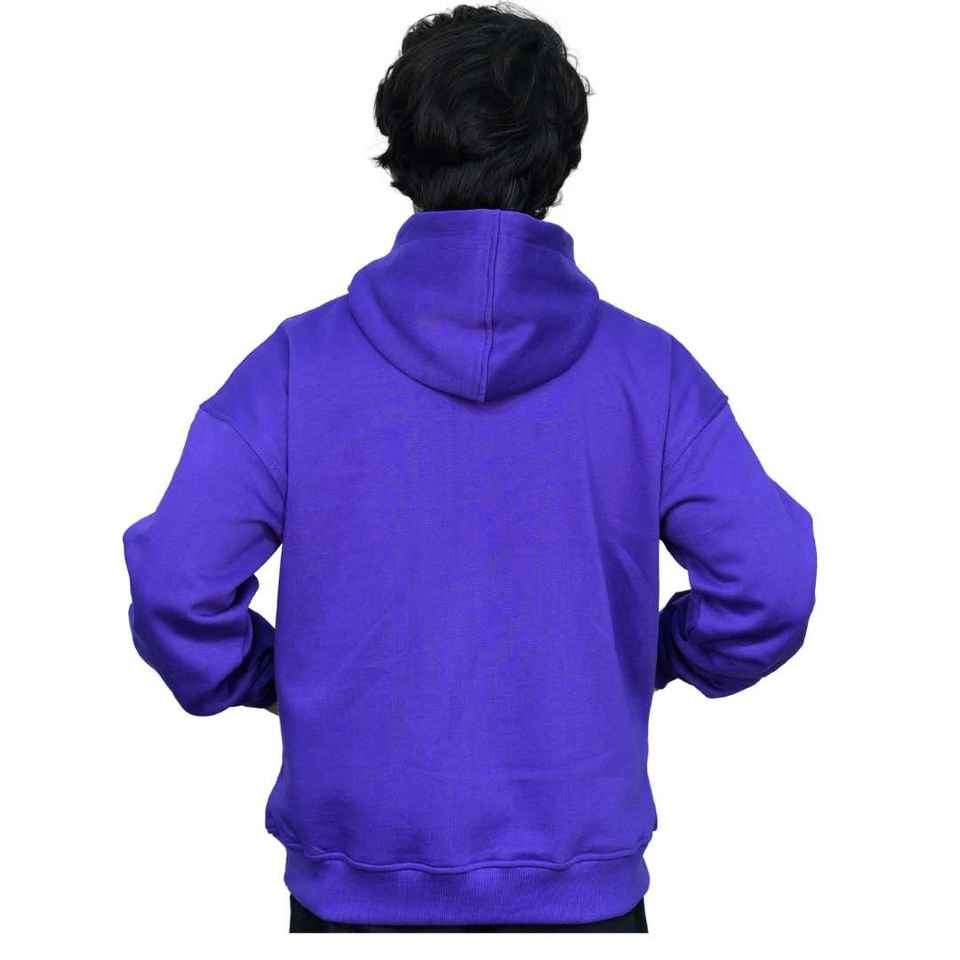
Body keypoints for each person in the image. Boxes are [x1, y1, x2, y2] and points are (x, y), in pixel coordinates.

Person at [122, 3, 816, 934]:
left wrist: (274, 677)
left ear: (401, 150)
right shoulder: (650, 376)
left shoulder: (295, 369)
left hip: (351, 894)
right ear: (560, 159)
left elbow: (177, 582)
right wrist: (656, 655)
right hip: (583, 895)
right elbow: (770, 581)